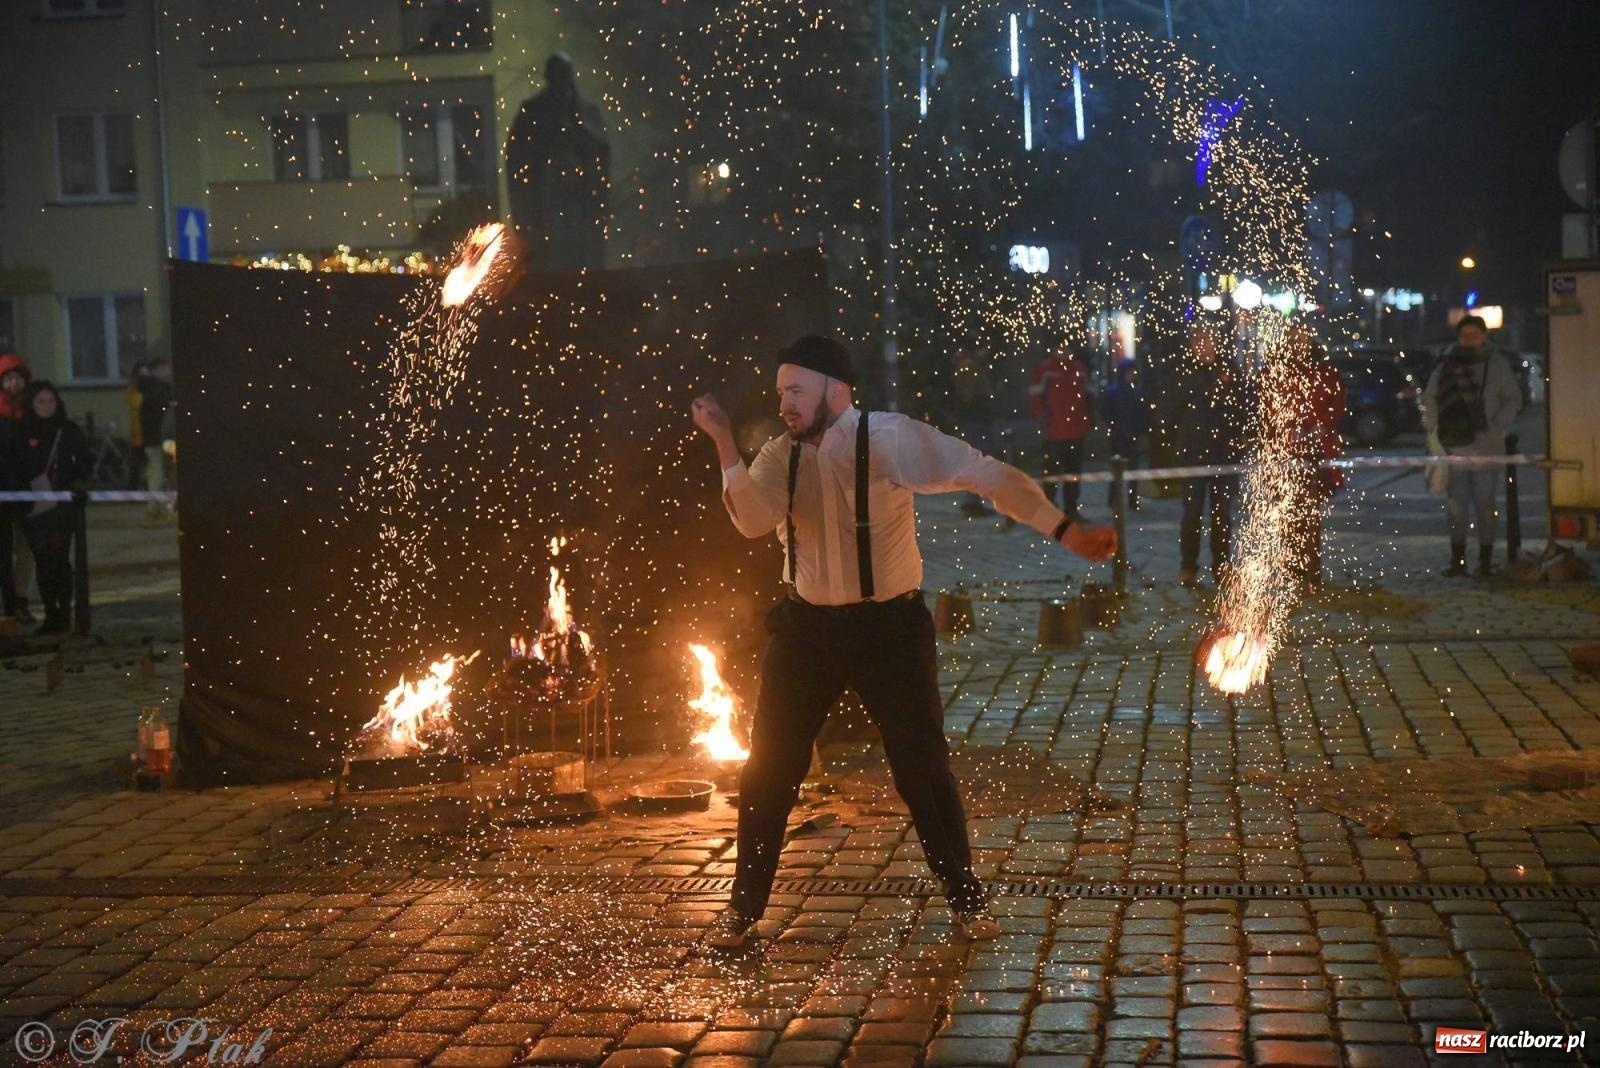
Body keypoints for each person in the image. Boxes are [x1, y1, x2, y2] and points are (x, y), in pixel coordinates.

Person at [690, 336, 1116, 948]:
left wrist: (1063, 528)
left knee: (921, 770)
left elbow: (986, 474)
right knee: (769, 772)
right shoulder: (781, 456)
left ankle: (968, 901)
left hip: (889, 629)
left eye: (797, 391)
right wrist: (726, 444)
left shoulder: (888, 439)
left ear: (836, 391)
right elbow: (754, 521)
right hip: (806, 630)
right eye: (780, 391)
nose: (784, 403)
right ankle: (742, 911)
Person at [1420, 314, 1522, 577]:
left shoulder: (1497, 365)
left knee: (1485, 503)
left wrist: (1498, 427)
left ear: (1484, 336)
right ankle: (1458, 560)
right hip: (1453, 445)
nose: (1469, 340)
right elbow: (1430, 397)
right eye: (1464, 335)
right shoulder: (1445, 365)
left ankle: (1485, 561)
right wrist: (1433, 428)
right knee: (1456, 505)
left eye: (1474, 335)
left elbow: (1512, 399)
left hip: (1487, 446)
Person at [504, 53, 611, 273]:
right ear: (548, 77)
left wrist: (579, 130)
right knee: (550, 258)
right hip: (545, 202)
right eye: (556, 76)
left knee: (577, 257)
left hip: (579, 202)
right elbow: (518, 159)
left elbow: (599, 149)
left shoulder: (586, 113)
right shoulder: (533, 112)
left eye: (564, 76)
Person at [1266, 324, 1346, 593]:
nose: (1298, 342)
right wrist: (1286, 431)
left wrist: (1316, 428)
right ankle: (1291, 569)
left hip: (1316, 452)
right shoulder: (1275, 370)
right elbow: (1267, 407)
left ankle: (1310, 571)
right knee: (1287, 515)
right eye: (1293, 337)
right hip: (1285, 452)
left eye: (1303, 336)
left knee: (1310, 516)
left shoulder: (1324, 370)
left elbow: (1335, 404)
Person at [11, 382, 91, 634]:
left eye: (50, 401)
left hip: (62, 506)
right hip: (33, 506)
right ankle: (51, 614)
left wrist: (78, 483)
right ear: (32, 404)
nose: (46, 407)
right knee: (43, 561)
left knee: (59, 559)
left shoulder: (68, 430)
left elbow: (85, 461)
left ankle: (63, 614)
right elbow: (15, 466)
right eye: (41, 402)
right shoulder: (22, 431)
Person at [1174, 326, 1249, 587]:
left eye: (1207, 341)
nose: (1204, 346)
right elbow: (1170, 410)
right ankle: (1188, 566)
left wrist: (1239, 438)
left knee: (1221, 515)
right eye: (1198, 342)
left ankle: (1222, 564)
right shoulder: (1184, 373)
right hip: (1194, 455)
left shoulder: (1228, 371)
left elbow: (1243, 406)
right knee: (1192, 514)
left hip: (1223, 455)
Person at [1029, 342, 1094, 518]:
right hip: (1054, 432)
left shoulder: (1079, 369)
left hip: (1075, 430)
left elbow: (1089, 398)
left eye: (1067, 348)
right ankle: (1049, 509)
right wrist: (1044, 420)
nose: (1064, 351)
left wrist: (1087, 420)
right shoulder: (1045, 370)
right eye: (1060, 348)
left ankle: (1071, 509)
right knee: (1051, 474)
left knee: (1073, 474)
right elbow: (1035, 399)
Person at [1, 351, 37, 623]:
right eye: (8, 379)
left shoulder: (32, 410)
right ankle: (8, 603)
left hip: (28, 489)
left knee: (26, 549)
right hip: (3, 490)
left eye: (17, 378)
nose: (14, 384)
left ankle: (21, 600)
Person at [950, 339, 996, 516]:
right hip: (976, 418)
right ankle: (973, 502)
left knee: (975, 459)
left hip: (974, 417)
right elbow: (970, 394)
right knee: (977, 459)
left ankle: (973, 500)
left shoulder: (965, 366)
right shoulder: (970, 367)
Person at [1099, 357, 1147, 510]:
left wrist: (1139, 430)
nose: (1132, 374)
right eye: (1129, 372)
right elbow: (1105, 412)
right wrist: (1113, 427)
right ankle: (1114, 499)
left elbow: (1141, 413)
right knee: (1117, 470)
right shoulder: (1114, 392)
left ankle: (1132, 500)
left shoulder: (1136, 392)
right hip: (1118, 436)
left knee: (1133, 470)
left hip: (1132, 435)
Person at [136, 360, 174, 520]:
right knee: (158, 472)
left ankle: (157, 508)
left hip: (155, 438)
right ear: (157, 370)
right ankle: (156, 508)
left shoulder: (149, 388)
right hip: (159, 438)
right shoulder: (157, 389)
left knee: (157, 472)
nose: (169, 372)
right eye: (166, 368)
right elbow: (164, 407)